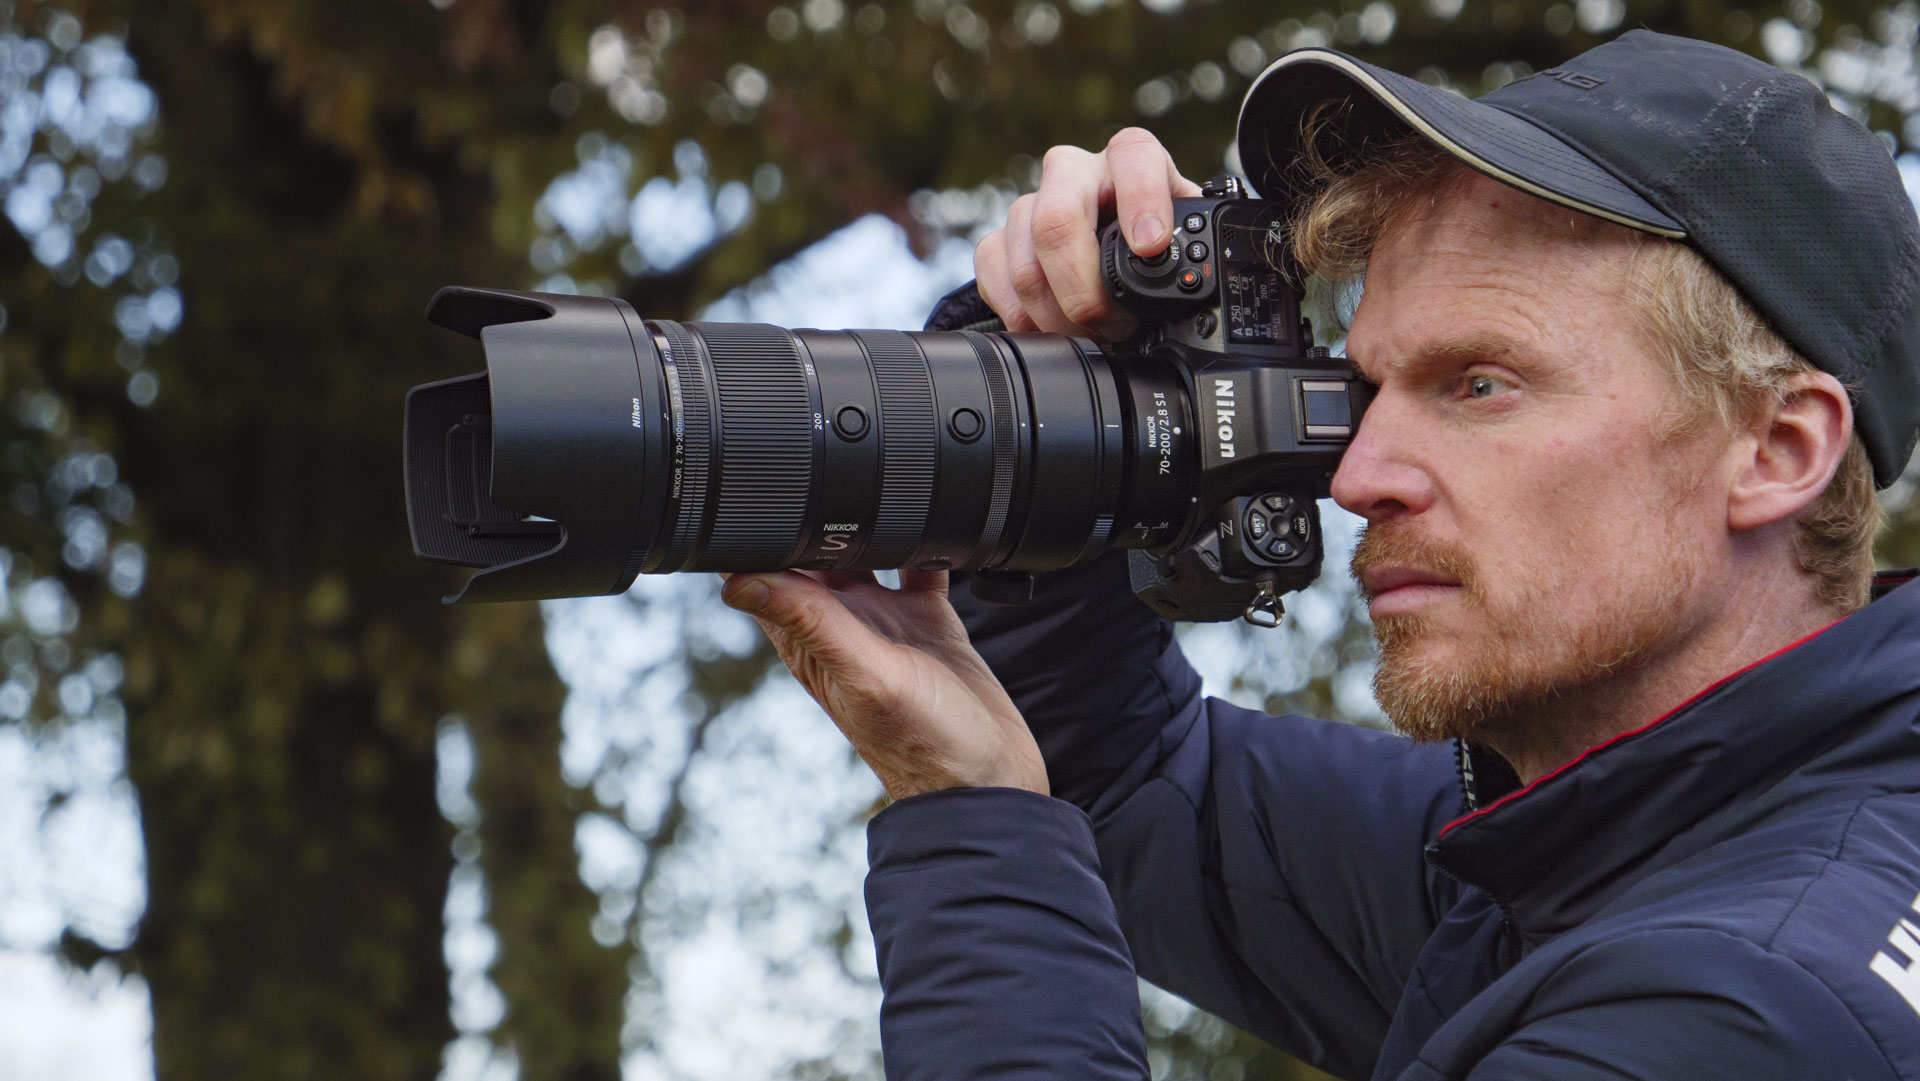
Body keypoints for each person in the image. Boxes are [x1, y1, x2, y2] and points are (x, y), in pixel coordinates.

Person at [721, 30, 1920, 1080]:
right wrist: (1046, 380)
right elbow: (1126, 782)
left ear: (1775, 447)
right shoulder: (1623, 842)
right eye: (1368, 387)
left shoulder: (1748, 1011)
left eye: (1481, 384)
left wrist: (965, 814)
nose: (1356, 477)